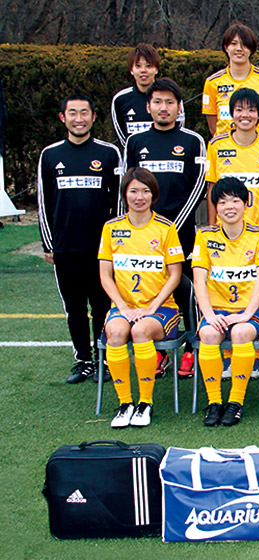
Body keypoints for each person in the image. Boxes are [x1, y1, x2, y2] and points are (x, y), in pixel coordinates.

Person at [123, 78, 206, 376]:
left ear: (179, 107)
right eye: (157, 102)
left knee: (188, 292)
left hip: (182, 232)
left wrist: (169, 228)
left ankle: (192, 350)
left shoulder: (193, 141)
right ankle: (158, 351)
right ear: (148, 106)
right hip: (143, 236)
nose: (163, 107)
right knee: (148, 289)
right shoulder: (135, 142)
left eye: (170, 102)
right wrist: (137, 230)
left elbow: (199, 187)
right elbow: (127, 188)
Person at [37, 94, 121, 383]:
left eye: (84, 113)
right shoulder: (50, 155)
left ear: (94, 117)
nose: (79, 119)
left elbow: (118, 202)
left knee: (102, 306)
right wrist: (49, 244)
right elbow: (44, 202)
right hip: (65, 247)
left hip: (101, 249)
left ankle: (103, 360)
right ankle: (83, 360)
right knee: (74, 308)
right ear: (63, 118)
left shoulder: (109, 153)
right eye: (72, 113)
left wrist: (116, 242)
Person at [98, 168, 183, 428]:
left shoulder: (166, 228)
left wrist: (151, 307)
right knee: (115, 332)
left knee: (141, 331)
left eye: (145, 191)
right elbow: (105, 275)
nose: (139, 197)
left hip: (161, 309)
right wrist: (122, 307)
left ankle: (145, 403)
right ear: (124, 194)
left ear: (153, 195)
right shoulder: (111, 228)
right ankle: (125, 403)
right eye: (133, 191)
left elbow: (175, 275)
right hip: (124, 307)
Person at [192, 178, 259, 427]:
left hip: (254, 311)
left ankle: (236, 402)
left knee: (240, 332)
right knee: (208, 333)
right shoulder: (204, 236)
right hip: (217, 310)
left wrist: (246, 314)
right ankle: (214, 402)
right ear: (215, 207)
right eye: (223, 202)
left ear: (246, 204)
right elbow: (199, 279)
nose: (229, 207)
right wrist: (209, 315)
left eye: (235, 201)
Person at [205, 88, 259, 256]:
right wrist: (212, 228)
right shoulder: (216, 145)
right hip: (226, 232)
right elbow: (212, 189)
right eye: (239, 109)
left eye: (251, 110)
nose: (245, 115)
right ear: (232, 113)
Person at [202, 23, 259, 136]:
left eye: (244, 44)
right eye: (233, 43)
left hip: (257, 145)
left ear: (251, 49)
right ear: (226, 47)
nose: (239, 49)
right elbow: (213, 125)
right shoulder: (212, 82)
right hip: (224, 145)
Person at [111, 44, 186, 146]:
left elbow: (179, 128)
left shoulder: (171, 96)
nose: (143, 70)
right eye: (138, 66)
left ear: (156, 69)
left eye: (148, 66)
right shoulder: (120, 99)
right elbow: (122, 136)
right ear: (131, 70)